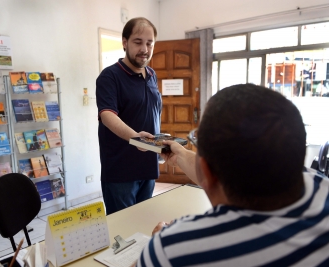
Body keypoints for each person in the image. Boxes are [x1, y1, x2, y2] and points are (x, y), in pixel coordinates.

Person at [136, 84, 329, 266]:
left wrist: (159, 246)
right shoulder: (319, 183)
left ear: (208, 172)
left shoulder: (172, 250)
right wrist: (181, 156)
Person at [96, 17, 161, 215]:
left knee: (142, 222)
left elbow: (150, 113)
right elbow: (107, 114)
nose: (144, 49)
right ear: (124, 43)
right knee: (122, 231)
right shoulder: (110, 76)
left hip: (148, 166)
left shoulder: (151, 74)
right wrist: (136, 138)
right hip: (121, 172)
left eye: (149, 43)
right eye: (138, 42)